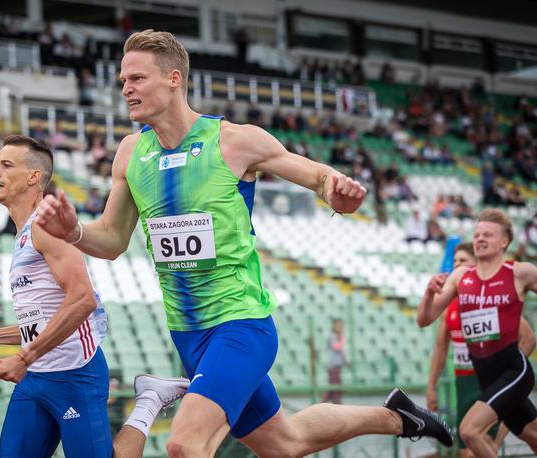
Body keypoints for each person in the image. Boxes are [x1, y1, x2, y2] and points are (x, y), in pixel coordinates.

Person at [36, 29, 453, 457]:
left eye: (137, 78)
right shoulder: (129, 153)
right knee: (287, 443)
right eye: (123, 80)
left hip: (240, 324)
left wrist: (336, 192)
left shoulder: (233, 141)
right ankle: (400, 417)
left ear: (174, 78)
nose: (126, 88)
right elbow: (112, 239)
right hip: (188, 333)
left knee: (184, 444)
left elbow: (315, 175)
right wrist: (74, 232)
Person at [0, 135, 188, 458]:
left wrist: (24, 356)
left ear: (33, 177)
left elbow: (83, 300)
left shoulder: (45, 227)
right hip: (37, 375)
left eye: (5, 165)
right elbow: (45, 318)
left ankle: (149, 401)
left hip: (75, 374)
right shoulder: (23, 233)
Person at [417, 208, 537, 457]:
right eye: (477, 234)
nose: (480, 239)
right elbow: (424, 319)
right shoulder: (461, 277)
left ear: (504, 241)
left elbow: (528, 338)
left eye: (489, 235)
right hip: (486, 377)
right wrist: (429, 293)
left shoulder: (519, 273)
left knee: (470, 431)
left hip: (513, 370)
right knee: (534, 437)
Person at [321, 318, 347, 404]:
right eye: (338, 325)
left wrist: (345, 360)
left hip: (337, 365)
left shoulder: (338, 336)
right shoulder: (331, 336)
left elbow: (342, 351)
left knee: (335, 388)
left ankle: (324, 404)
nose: (340, 327)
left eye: (341, 325)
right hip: (332, 365)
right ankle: (324, 404)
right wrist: (342, 338)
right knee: (334, 388)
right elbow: (337, 347)